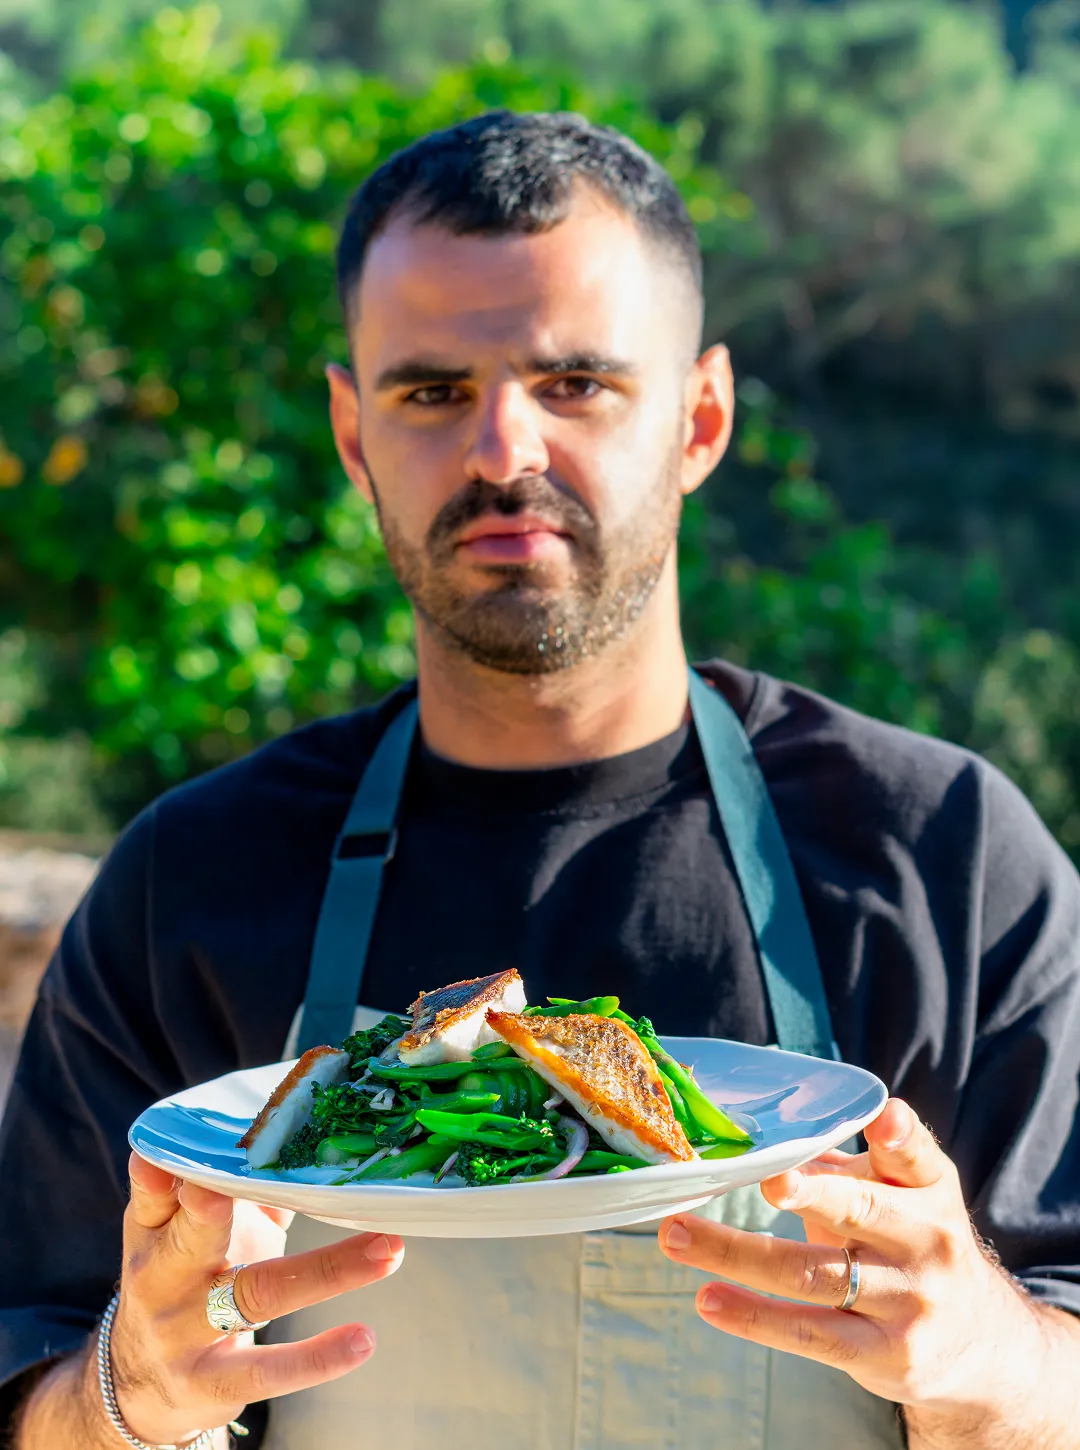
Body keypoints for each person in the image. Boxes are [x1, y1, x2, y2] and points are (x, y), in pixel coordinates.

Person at [3, 109, 1080, 1450]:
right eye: (431, 389)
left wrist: (993, 1354)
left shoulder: (952, 857)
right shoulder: (187, 885)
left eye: (576, 382)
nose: (505, 449)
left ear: (699, 417)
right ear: (353, 434)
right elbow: (32, 1375)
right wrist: (124, 1396)